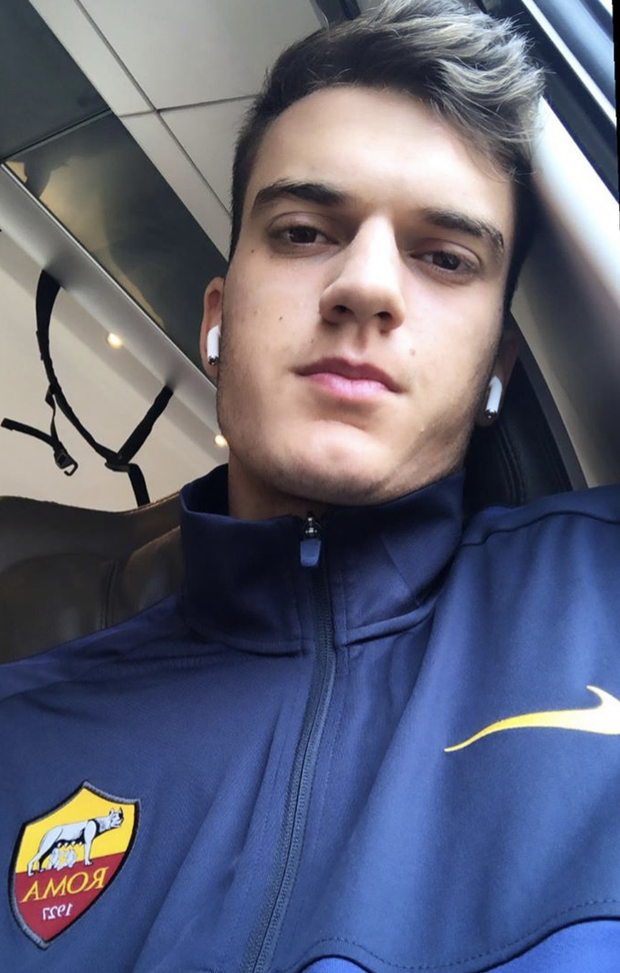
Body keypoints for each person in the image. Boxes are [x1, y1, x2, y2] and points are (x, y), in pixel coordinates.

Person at [2, 1, 620, 970]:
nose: (365, 284)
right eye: (301, 232)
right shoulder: (20, 737)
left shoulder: (603, 586)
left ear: (496, 368)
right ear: (217, 320)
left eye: (443, 256)